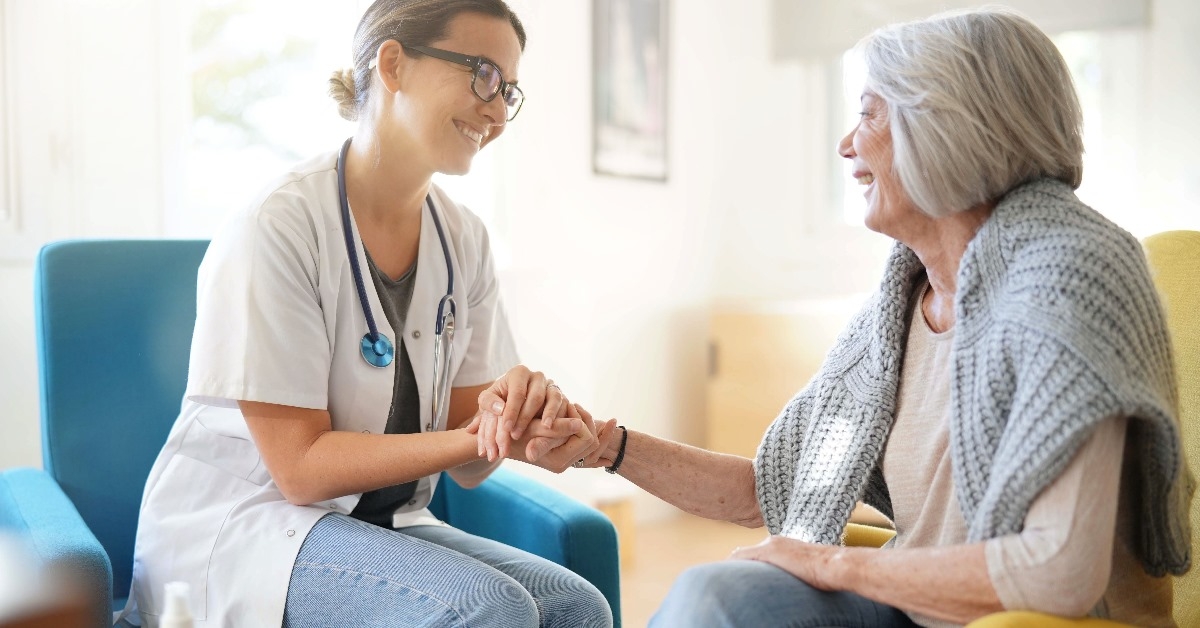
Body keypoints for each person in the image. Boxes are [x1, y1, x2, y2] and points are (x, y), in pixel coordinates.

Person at [476, 8, 1192, 628]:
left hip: (1035, 621)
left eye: (870, 115)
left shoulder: (1071, 279)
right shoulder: (901, 304)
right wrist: (607, 445)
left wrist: (832, 565)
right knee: (719, 592)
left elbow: (1058, 574)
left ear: (947, 126)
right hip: (918, 607)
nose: (847, 145)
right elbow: (775, 487)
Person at [119, 1, 615, 627]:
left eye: (508, 90)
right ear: (393, 64)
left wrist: (516, 420)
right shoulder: (279, 224)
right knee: (490, 609)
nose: (496, 110)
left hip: (382, 525)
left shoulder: (464, 239)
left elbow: (469, 461)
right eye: (483, 73)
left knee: (575, 606)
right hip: (258, 525)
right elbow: (300, 470)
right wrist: (472, 433)